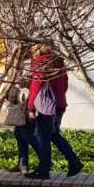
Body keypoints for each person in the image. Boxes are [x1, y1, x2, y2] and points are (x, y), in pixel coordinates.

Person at [27, 44, 83, 179]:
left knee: (43, 138)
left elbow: (36, 86)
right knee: (53, 135)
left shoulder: (41, 64)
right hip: (59, 105)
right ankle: (74, 162)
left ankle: (44, 170)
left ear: (37, 51)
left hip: (45, 107)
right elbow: (65, 85)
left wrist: (31, 107)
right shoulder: (59, 64)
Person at [2, 78, 34, 174]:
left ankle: (43, 164)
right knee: (20, 135)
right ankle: (22, 164)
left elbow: (13, 97)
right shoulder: (16, 74)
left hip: (25, 112)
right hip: (21, 112)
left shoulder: (24, 77)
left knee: (26, 136)